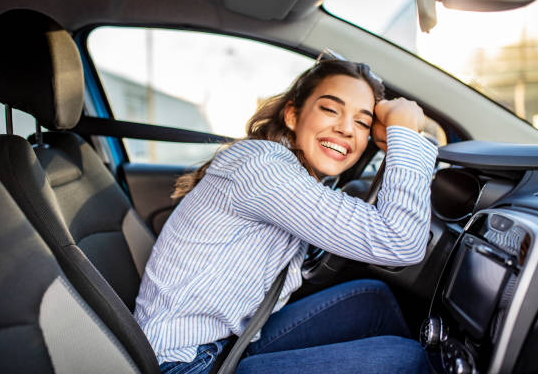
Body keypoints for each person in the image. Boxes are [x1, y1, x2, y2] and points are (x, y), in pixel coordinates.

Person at [134, 58, 438, 374]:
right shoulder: (266, 170)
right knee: (407, 359)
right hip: (183, 364)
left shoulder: (292, 170)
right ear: (293, 116)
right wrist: (404, 131)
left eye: (361, 122)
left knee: (372, 299)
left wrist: (395, 142)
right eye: (331, 110)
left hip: (229, 342)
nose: (346, 128)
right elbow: (401, 241)